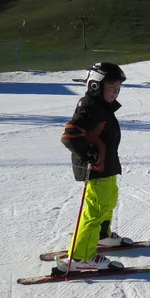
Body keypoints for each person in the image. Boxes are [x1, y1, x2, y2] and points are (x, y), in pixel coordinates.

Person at [57, 63, 132, 272]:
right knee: (95, 210)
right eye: (112, 87)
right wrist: (88, 154)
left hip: (106, 165)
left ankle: (102, 236)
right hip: (95, 168)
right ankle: (81, 257)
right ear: (95, 86)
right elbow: (69, 137)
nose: (116, 92)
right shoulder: (90, 107)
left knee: (108, 201)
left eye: (118, 88)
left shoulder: (101, 107)